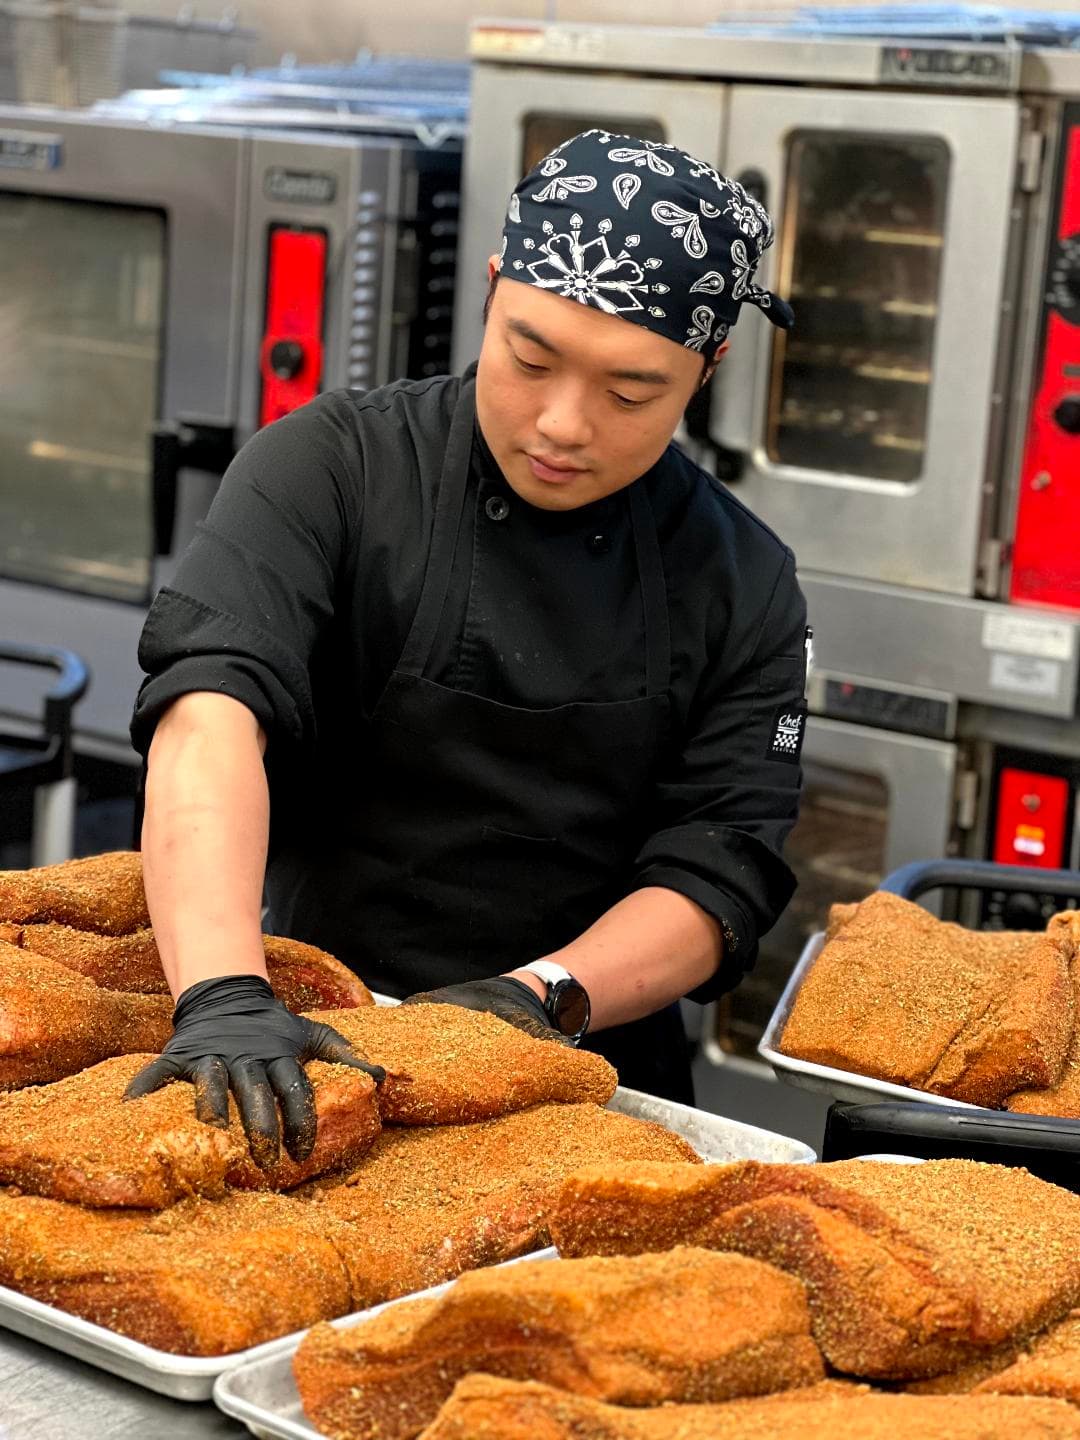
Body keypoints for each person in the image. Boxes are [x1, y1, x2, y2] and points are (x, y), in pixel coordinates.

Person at [126, 129, 809, 1165]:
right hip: (300, 1043)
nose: (564, 423)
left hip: (586, 1074)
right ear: (490, 292)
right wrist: (223, 993)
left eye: (631, 395)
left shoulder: (744, 581)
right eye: (529, 358)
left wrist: (545, 999)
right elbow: (210, 710)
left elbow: (723, 870)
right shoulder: (333, 468)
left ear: (707, 370)